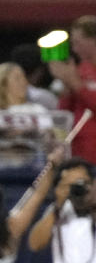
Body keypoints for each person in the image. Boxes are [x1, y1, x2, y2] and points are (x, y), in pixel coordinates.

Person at [0, 62, 54, 170]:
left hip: (36, 165)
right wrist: (29, 132)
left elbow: (48, 133)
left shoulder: (38, 109)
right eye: (17, 78)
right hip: (5, 167)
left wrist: (20, 134)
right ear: (3, 84)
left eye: (24, 77)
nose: (24, 82)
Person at [48, 16, 96, 165]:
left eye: (78, 43)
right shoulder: (79, 70)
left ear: (93, 39)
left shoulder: (75, 76)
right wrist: (66, 86)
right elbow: (65, 111)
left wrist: (75, 84)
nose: (74, 49)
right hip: (80, 150)